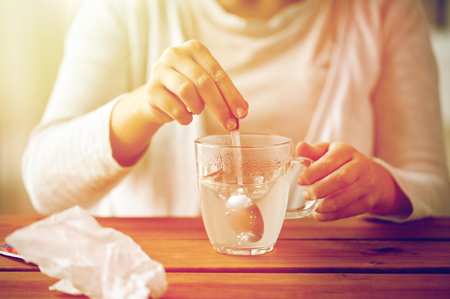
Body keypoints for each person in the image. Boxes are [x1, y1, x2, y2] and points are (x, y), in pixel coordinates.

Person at [22, 0, 450, 222]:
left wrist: (383, 187)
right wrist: (142, 107)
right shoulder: (125, 9)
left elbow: (434, 188)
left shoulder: (385, 11)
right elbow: (44, 185)